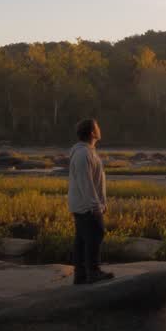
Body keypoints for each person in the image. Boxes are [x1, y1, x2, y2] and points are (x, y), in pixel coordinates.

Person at [68, 118, 113, 285]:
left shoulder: (88, 151)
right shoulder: (83, 154)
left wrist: (103, 203)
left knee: (82, 239)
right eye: (97, 127)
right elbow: (85, 183)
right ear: (92, 132)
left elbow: (94, 181)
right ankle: (92, 272)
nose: (100, 129)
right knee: (95, 235)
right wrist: (96, 206)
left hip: (85, 204)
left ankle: (81, 275)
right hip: (86, 206)